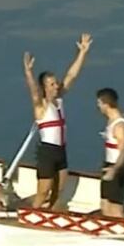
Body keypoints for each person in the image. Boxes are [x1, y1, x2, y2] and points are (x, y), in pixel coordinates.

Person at [23, 33, 92, 209]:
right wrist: (29, 72)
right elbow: (33, 92)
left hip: (61, 151)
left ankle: (51, 215)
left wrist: (82, 53)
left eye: (56, 83)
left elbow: (72, 75)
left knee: (59, 189)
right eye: (52, 84)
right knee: (43, 191)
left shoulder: (59, 100)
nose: (57, 86)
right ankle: (32, 213)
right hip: (47, 152)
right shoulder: (42, 106)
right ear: (45, 87)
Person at [96, 88, 124, 218]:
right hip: (109, 164)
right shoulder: (111, 120)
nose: (98, 107)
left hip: (118, 167)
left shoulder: (119, 126)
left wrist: (114, 169)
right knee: (105, 205)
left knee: (115, 209)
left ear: (105, 104)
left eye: (99, 103)